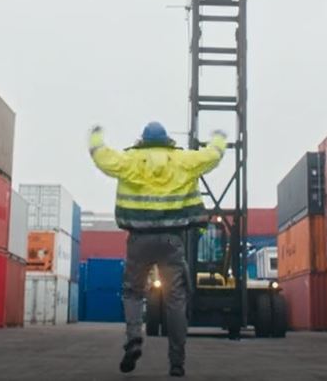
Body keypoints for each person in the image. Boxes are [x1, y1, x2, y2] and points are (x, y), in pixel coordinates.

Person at [88, 121, 227, 377]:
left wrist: (96, 135)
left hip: (139, 239)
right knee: (176, 300)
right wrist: (219, 137)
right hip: (172, 241)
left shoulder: (130, 160)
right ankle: (177, 362)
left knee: (133, 292)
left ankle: (134, 338)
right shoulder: (183, 160)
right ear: (167, 141)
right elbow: (212, 156)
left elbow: (103, 157)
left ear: (142, 140)